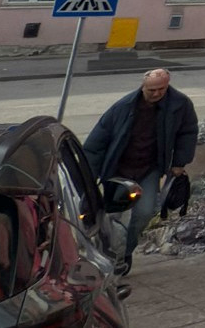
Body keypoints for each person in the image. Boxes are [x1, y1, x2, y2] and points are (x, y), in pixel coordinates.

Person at [82, 68, 197, 272]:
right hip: (118, 169)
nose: (156, 94)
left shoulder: (180, 104)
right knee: (113, 218)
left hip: (149, 169)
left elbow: (187, 132)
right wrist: (88, 175)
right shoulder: (123, 107)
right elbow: (97, 142)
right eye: (151, 90)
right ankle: (107, 255)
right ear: (143, 87)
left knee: (144, 213)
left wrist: (179, 162)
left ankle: (124, 254)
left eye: (161, 89)